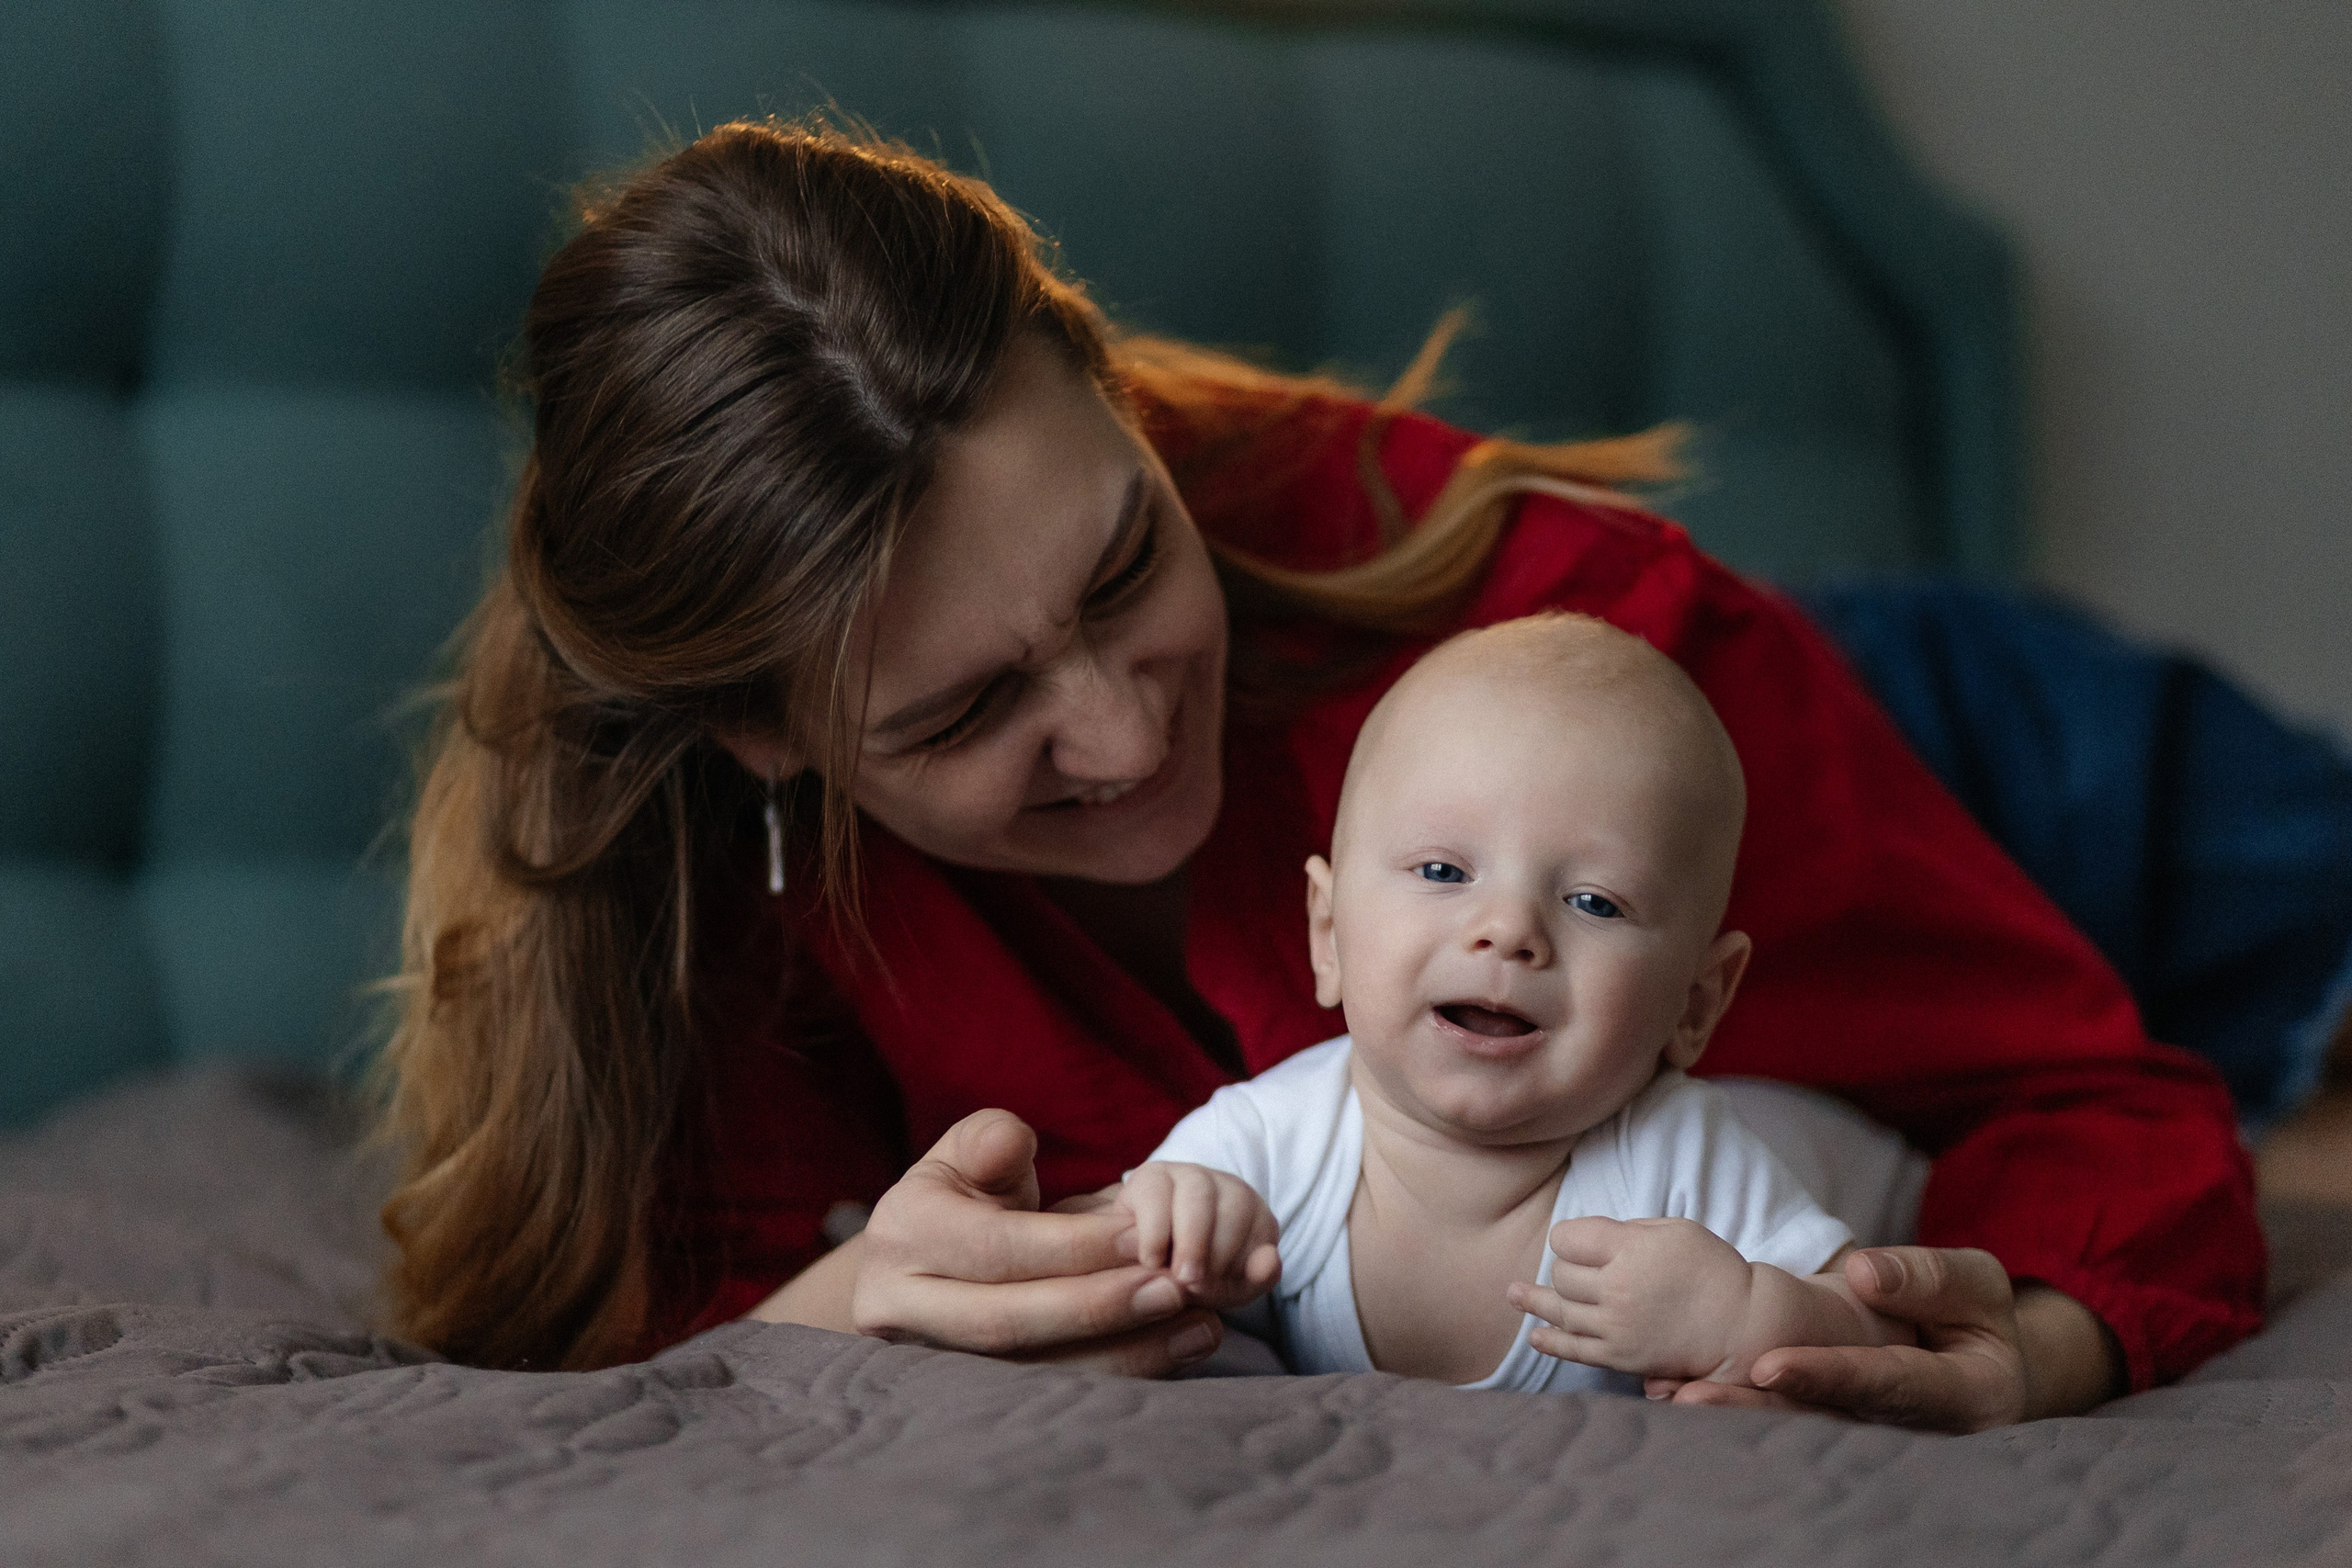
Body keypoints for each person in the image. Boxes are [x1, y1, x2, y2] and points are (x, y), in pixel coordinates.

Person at [374, 117, 2275, 1428]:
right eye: (960, 718)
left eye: (1125, 567)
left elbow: (2095, 1107)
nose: (1122, 735)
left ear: (1120, 402)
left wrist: (2028, 1348)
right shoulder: (704, 876)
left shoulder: (1575, 623)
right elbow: (631, 1339)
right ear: (760, 741)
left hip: (1981, 736)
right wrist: (849, 1311)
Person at [1119, 613, 1915, 1393]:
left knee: (1874, 1175)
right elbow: (1109, 1262)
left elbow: (1889, 1337)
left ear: (1695, 1003)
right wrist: (1164, 1223)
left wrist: (1745, 1313)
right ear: (1328, 933)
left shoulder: (1681, 1163)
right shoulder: (1264, 1141)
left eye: (1595, 902)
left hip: (1836, 1147)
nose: (1507, 930)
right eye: (1442, 872)